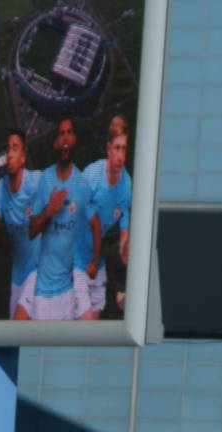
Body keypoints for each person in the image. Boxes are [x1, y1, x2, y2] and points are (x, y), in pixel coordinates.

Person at [24, 117, 95, 322]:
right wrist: (48, 211)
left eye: (69, 132)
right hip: (45, 291)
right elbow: (31, 231)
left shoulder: (83, 185)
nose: (65, 138)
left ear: (74, 140)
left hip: (72, 287)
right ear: (55, 142)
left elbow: (90, 230)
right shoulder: (45, 180)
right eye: (61, 133)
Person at [0, 130, 45, 320]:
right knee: (14, 332)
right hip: (17, 274)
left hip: (37, 268)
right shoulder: (1, 189)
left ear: (22, 157)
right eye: (7, 150)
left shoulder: (35, 181)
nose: (9, 154)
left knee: (18, 322)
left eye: (15, 149)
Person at [84, 127, 131, 319]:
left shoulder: (127, 184)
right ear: (108, 149)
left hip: (100, 243)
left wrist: (124, 248)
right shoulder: (91, 176)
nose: (120, 155)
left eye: (124, 149)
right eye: (117, 148)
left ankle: (121, 293)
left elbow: (125, 222)